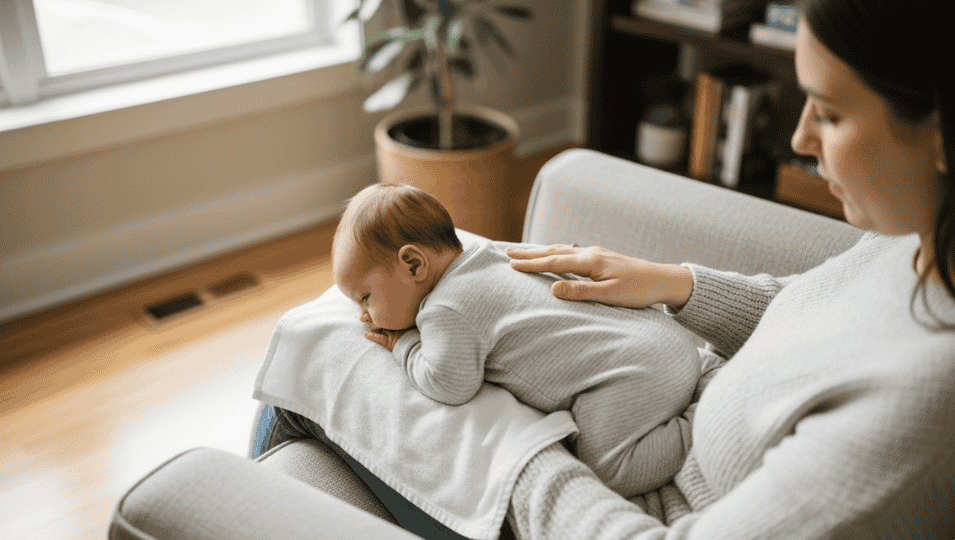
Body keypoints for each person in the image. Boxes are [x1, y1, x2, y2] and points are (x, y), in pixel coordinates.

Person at [498, 0, 955, 538]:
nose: (800, 139)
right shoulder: (919, 232)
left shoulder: (924, 413)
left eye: (829, 113)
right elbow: (824, 315)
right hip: (652, 445)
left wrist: (513, 451)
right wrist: (676, 285)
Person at [330, 181, 706, 498]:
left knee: (609, 471)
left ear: (413, 264)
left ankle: (698, 423)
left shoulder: (445, 309)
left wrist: (405, 345)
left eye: (365, 297)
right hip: (666, 337)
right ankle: (697, 390)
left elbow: (448, 383)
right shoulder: (490, 250)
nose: (363, 315)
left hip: (631, 376)